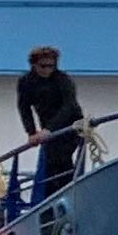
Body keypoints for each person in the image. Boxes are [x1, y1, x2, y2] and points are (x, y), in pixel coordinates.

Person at [15, 43, 85, 203]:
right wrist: (31, 132)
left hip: (70, 125)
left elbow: (69, 106)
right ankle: (51, 199)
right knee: (51, 162)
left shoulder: (63, 80)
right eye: (43, 66)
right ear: (33, 65)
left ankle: (67, 195)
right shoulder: (26, 82)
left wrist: (49, 129)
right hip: (48, 127)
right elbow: (24, 107)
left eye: (51, 66)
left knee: (62, 160)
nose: (47, 70)